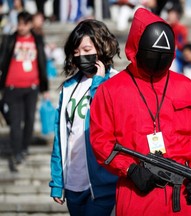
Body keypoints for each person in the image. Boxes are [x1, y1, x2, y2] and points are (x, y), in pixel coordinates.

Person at [90, 8, 191, 215]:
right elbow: (101, 140)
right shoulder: (110, 90)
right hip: (137, 193)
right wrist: (130, 168)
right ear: (137, 47)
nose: (157, 59)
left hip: (183, 196)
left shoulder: (188, 87)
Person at [49, 19, 120, 216]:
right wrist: (57, 181)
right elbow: (60, 135)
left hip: (102, 184)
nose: (81, 56)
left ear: (102, 46)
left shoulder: (115, 82)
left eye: (87, 49)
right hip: (73, 183)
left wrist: (97, 83)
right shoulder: (70, 86)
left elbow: (103, 120)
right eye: (76, 52)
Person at [0, 11, 48, 171]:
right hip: (12, 87)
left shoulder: (37, 39)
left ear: (29, 24)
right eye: (19, 23)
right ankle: (16, 151)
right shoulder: (10, 39)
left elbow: (42, 63)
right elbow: (2, 60)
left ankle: (24, 146)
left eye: (24, 23)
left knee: (29, 121)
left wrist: (44, 87)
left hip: (32, 87)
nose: (21, 27)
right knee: (15, 122)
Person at [166, 4, 188, 73]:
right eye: (169, 14)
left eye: (172, 14)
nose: (170, 16)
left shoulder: (181, 29)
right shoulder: (166, 27)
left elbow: (182, 45)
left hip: (178, 53)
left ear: (177, 15)